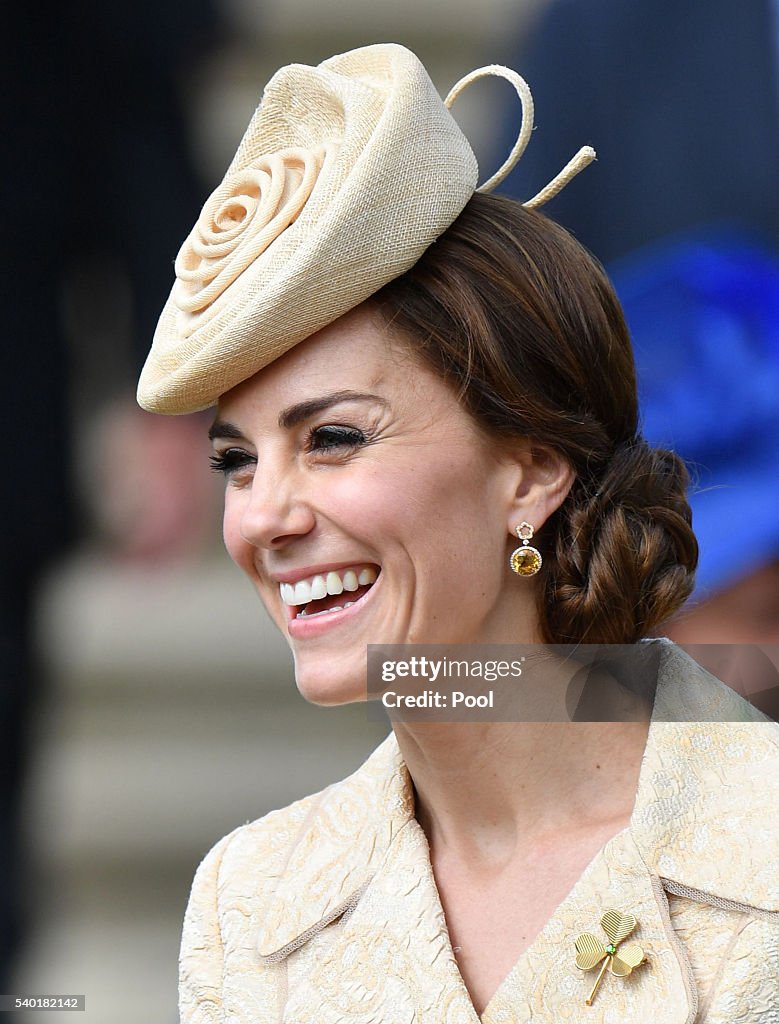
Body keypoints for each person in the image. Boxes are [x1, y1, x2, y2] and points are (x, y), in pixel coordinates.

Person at [137, 45, 779, 1023]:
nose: (263, 514)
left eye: (332, 437)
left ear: (528, 468)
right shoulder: (250, 902)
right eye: (237, 460)